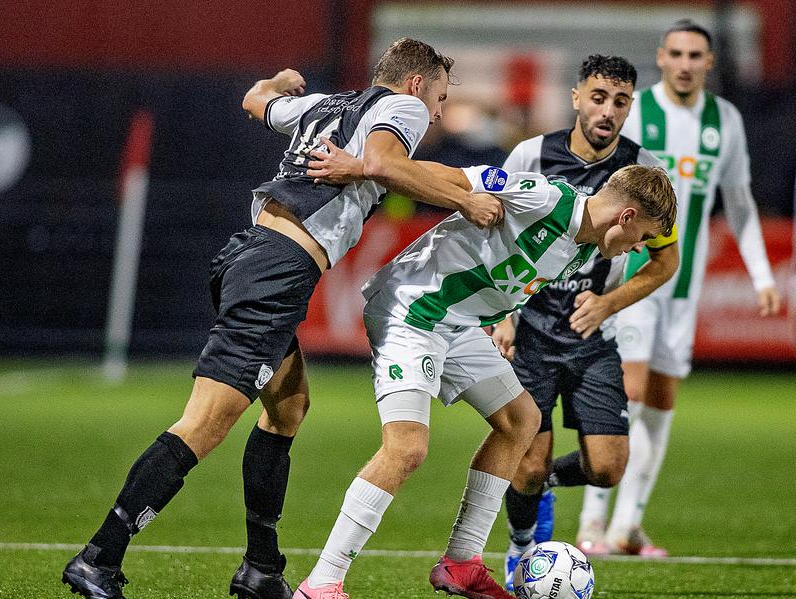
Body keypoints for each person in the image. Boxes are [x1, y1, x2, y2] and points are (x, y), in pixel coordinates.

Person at [59, 38, 509, 599]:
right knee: (204, 424)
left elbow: (255, 102)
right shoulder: (405, 108)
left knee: (289, 407)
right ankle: (99, 557)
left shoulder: (327, 104)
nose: (439, 111)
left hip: (250, 256)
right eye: (441, 96)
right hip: (277, 270)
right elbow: (386, 163)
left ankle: (261, 568)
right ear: (417, 84)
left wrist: (278, 83)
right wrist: (463, 201)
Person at [291, 160, 677, 599]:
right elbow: (457, 177)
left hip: (457, 325)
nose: (639, 248)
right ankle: (321, 582)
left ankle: (461, 563)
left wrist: (505, 316)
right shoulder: (542, 196)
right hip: (414, 312)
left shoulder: (585, 247)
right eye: (643, 236)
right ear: (626, 216)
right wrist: (363, 166)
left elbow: (508, 270)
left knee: (521, 420)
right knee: (407, 447)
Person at [577, 20, 781, 557]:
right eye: (677, 53)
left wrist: (762, 275)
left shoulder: (725, 120)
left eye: (697, 54)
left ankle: (627, 527)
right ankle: (591, 523)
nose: (687, 63)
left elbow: (738, 201)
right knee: (633, 391)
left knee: (663, 401)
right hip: (637, 275)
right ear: (661, 58)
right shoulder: (635, 110)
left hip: (684, 286)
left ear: (709, 63)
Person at [488, 55, 679, 587]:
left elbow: (667, 259)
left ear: (630, 107)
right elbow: (498, 230)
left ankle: (536, 481)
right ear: (576, 98)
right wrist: (504, 312)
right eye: (598, 97)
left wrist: (608, 304)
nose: (607, 111)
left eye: (620, 102)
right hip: (529, 332)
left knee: (607, 468)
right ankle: (521, 550)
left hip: (593, 336)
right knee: (523, 462)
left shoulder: (644, 172)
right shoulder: (532, 154)